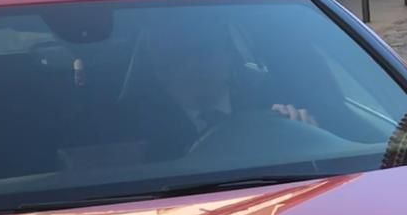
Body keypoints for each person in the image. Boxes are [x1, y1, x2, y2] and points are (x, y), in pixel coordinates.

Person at [118, 15, 316, 159]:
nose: (193, 67)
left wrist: (307, 133)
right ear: (160, 70)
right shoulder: (131, 128)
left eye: (204, 52)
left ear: (229, 57)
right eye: (177, 58)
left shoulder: (270, 102)